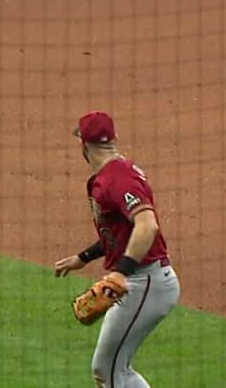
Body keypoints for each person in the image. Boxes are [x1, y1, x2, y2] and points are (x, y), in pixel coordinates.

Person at [53, 111, 180, 387]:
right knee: (108, 368)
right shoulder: (113, 174)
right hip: (142, 279)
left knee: (110, 370)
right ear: (114, 139)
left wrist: (121, 273)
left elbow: (147, 226)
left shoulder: (117, 179)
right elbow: (122, 235)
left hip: (147, 282)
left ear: (82, 145)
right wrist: (83, 258)